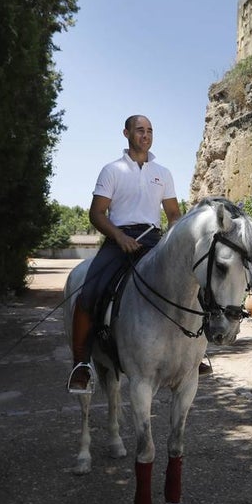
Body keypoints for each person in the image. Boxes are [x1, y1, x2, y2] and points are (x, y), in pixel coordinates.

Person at [68, 114, 183, 393]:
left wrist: (173, 240)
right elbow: (96, 214)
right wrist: (119, 237)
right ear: (126, 133)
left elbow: (173, 215)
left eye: (150, 131)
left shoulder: (163, 173)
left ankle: (194, 355)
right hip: (118, 240)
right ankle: (81, 365)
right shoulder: (112, 170)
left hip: (153, 241)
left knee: (188, 286)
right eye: (140, 130)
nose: (146, 135)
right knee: (89, 293)